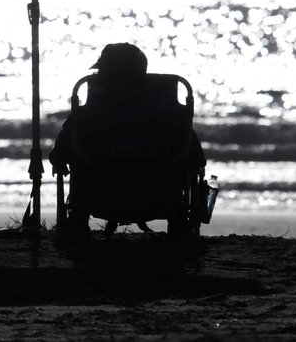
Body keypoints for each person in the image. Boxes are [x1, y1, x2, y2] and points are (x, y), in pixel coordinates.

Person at [49, 43, 206, 238]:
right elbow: (195, 158)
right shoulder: (168, 116)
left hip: (98, 195)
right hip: (160, 196)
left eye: (102, 71)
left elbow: (59, 154)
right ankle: (179, 227)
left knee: (83, 169)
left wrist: (62, 160)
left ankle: (77, 226)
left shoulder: (86, 116)